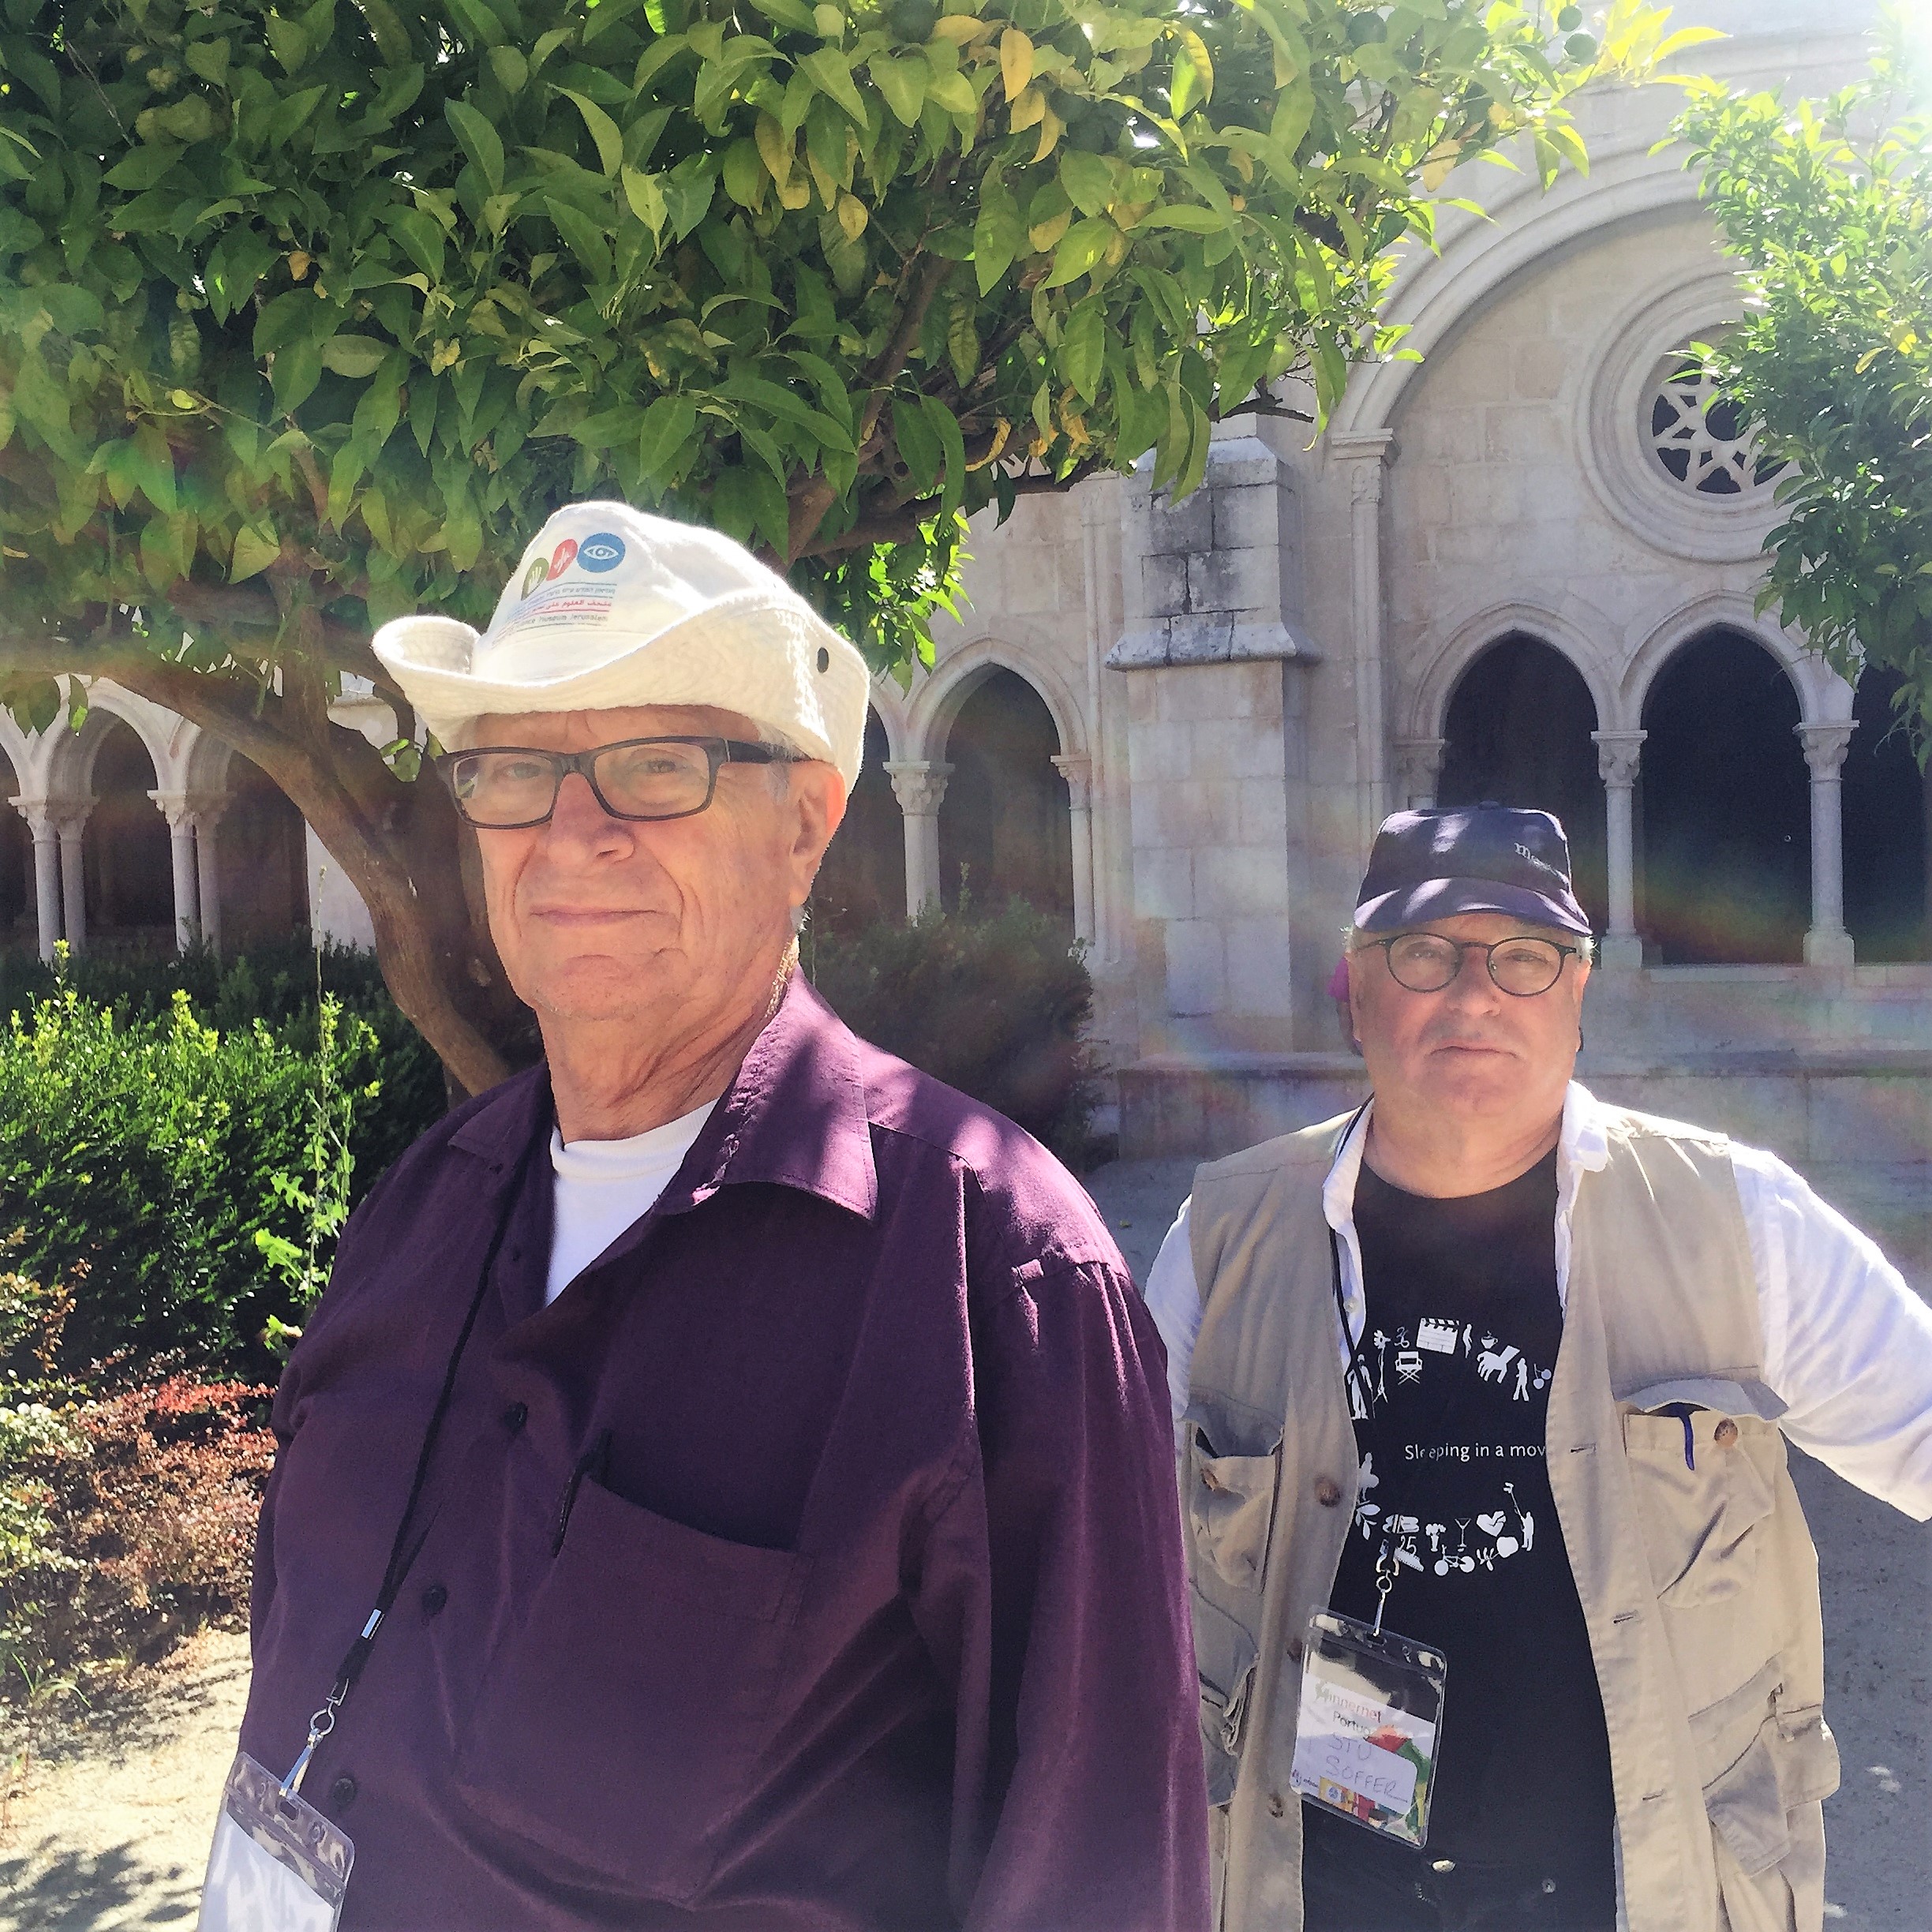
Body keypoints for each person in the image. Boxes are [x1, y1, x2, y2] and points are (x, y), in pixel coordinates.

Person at [230, 503, 1209, 1930]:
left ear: (804, 820)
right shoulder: (426, 1205)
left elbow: (1101, 1873)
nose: (574, 836)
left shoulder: (1001, 1283)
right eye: (514, 770)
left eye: (652, 767)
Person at [1143, 806, 1932, 1932]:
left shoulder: (1736, 1223)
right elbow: (1106, 1554)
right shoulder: (1224, 1240)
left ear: (1578, 997)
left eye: (1525, 957)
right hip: (1322, 1887)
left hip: (1631, 1888)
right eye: (1426, 954)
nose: (1474, 995)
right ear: (1357, 990)